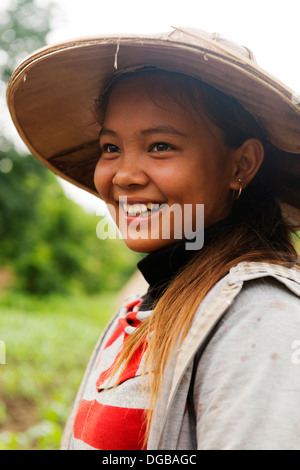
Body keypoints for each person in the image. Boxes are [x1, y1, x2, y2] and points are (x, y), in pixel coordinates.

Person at [7, 27, 300, 450]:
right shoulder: (142, 312)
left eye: (160, 145)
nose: (124, 175)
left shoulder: (261, 316)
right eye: (110, 148)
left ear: (242, 163)